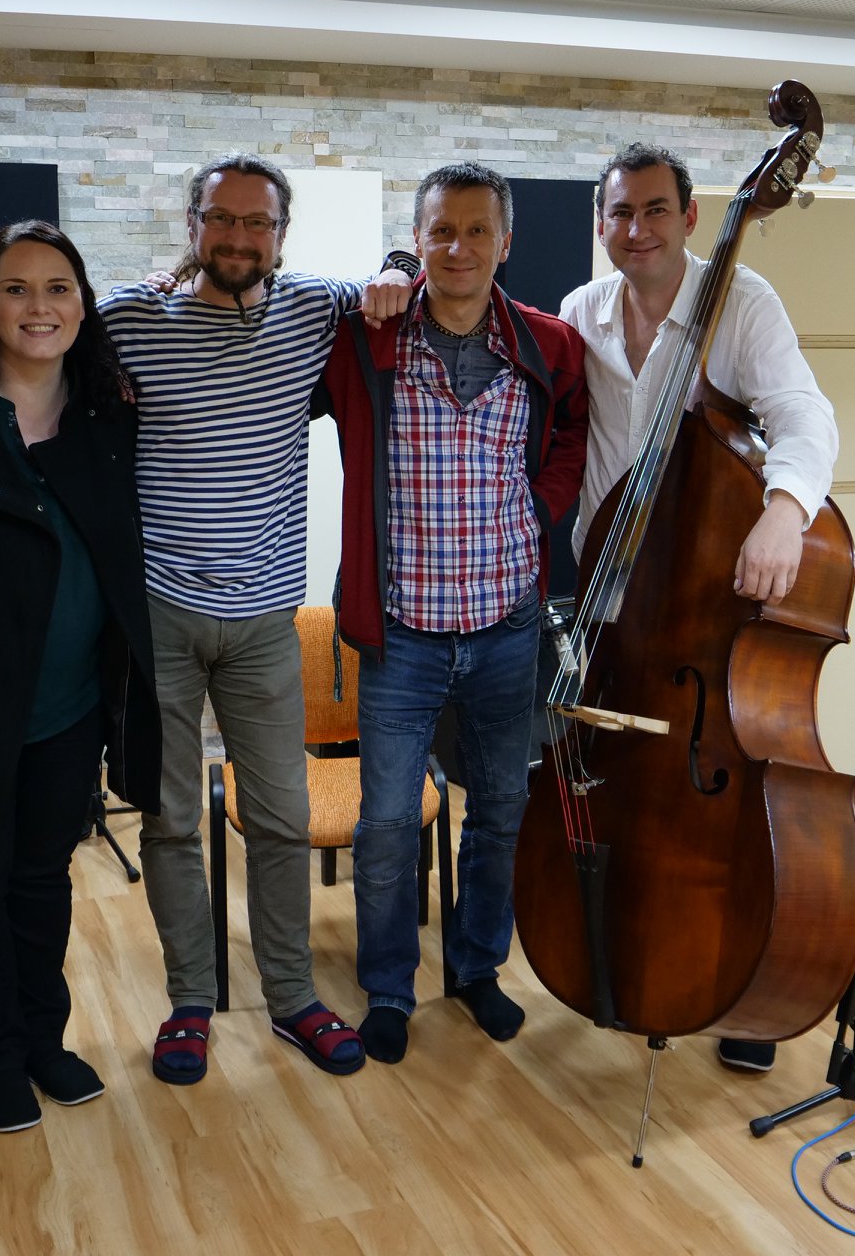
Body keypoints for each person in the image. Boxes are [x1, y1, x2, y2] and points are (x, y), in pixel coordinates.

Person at [98, 152, 413, 1085]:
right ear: (191, 220)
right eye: (220, 219)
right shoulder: (128, 318)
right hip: (159, 613)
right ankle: (191, 1000)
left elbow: (412, 280)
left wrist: (397, 262)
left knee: (277, 818)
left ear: (282, 234)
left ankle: (291, 998)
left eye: (257, 224)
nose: (237, 238)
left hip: (267, 620)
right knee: (170, 820)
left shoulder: (317, 308)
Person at [559, 142, 839, 1073]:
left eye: (654, 210)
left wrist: (784, 513)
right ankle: (626, 955)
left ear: (687, 216)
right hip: (612, 591)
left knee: (715, 792)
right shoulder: (580, 311)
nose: (635, 230)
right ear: (600, 224)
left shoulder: (742, 302)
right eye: (618, 213)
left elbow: (804, 415)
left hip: (706, 587)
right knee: (619, 781)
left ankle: (738, 977)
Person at [316, 161, 590, 1064]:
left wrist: (542, 508)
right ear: (419, 240)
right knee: (389, 823)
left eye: (478, 231)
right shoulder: (368, 336)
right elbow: (262, 313)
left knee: (502, 810)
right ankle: (389, 989)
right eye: (441, 231)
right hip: (402, 635)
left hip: (509, 626)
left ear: (506, 242)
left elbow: (573, 436)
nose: (460, 248)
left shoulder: (549, 345)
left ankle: (476, 971)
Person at [0, 222, 160, 1134]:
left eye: (58, 287)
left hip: (73, 705)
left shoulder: (107, 415)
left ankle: (43, 1037)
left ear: (83, 304)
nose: (38, 306)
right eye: (16, 288)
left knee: (42, 876)